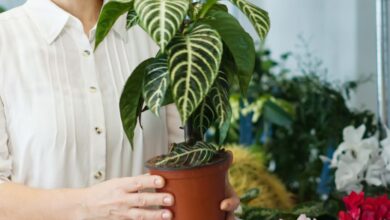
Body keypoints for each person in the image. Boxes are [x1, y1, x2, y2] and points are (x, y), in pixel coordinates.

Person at [0, 0, 240, 219]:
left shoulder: (158, 31)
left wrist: (207, 190)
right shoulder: (6, 40)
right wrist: (86, 204)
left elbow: (180, 156)